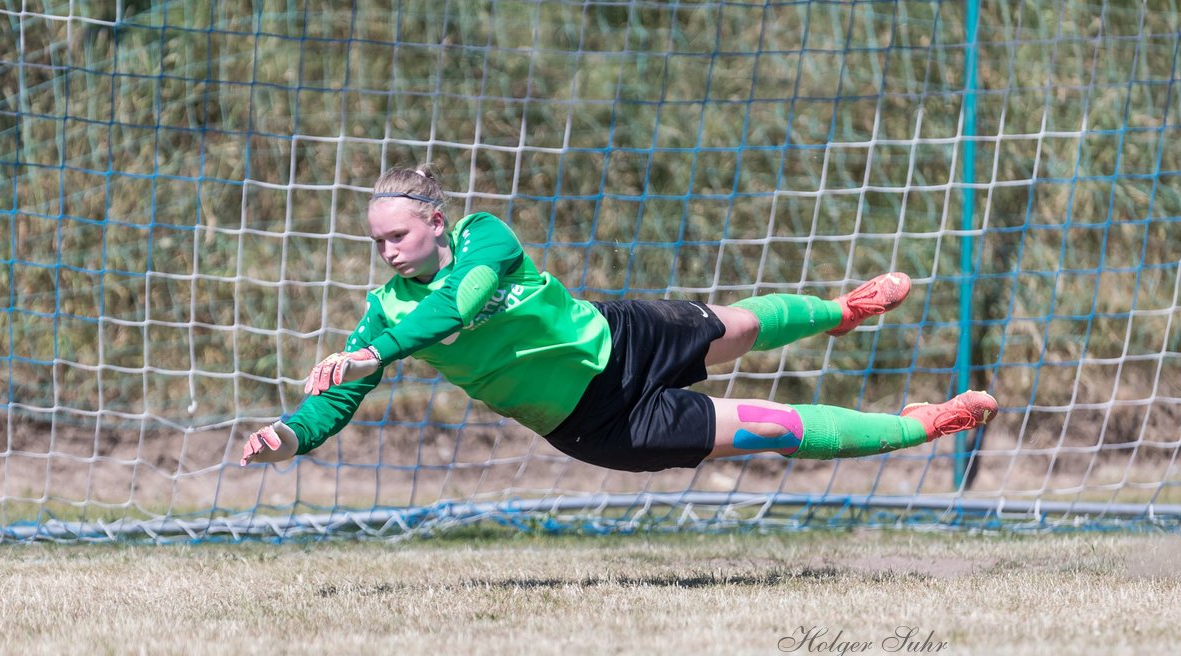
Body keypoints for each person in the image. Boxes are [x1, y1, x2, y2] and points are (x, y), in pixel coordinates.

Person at [240, 165, 996, 472]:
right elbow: (335, 396)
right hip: (595, 422)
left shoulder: (485, 238)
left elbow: (458, 306)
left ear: (435, 222)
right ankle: (923, 425)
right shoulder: (382, 315)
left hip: (621, 336)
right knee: (773, 428)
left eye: (397, 235)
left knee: (740, 326)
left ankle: (842, 310)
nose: (388, 253)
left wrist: (384, 353)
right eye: (377, 243)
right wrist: (287, 435)